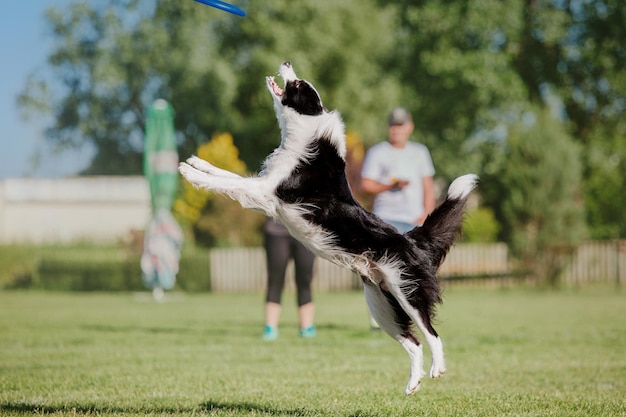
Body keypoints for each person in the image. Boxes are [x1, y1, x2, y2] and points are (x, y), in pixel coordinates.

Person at [361, 107, 436, 234]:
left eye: (400, 125)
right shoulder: (377, 152)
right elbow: (366, 185)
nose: (396, 130)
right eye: (392, 125)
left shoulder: (420, 152)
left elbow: (428, 187)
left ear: (410, 127)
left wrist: (427, 216)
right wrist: (391, 186)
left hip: (414, 221)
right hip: (384, 219)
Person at [262, 218, 317, 341]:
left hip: (305, 230)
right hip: (276, 230)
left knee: (305, 280)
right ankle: (270, 328)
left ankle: (307, 327)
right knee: (275, 280)